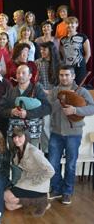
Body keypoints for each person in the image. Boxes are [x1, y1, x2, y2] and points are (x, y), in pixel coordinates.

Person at [48, 65, 94, 204]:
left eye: (67, 75)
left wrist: (75, 110)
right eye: (61, 75)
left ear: (73, 76)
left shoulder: (82, 91)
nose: (64, 77)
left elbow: (92, 108)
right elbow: (48, 108)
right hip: (56, 133)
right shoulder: (55, 91)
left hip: (74, 134)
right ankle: (56, 188)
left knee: (71, 165)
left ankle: (67, 192)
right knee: (53, 163)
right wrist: (61, 100)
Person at [4, 127, 54, 217]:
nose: (16, 139)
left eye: (19, 136)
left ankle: (41, 201)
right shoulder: (18, 152)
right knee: (9, 206)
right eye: (14, 137)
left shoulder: (34, 151)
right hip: (28, 181)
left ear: (26, 136)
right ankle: (37, 202)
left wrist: (36, 180)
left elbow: (51, 170)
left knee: (6, 196)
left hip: (38, 184)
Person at [0, 65, 51, 150]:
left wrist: (28, 113)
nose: (20, 75)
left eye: (23, 73)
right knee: (14, 159)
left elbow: (47, 108)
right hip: (14, 133)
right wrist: (11, 111)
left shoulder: (37, 89)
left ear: (30, 76)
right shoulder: (11, 90)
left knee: (31, 159)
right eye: (18, 73)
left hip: (32, 133)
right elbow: (2, 109)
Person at [60, 16, 91, 84]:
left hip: (80, 67)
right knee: (67, 86)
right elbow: (63, 55)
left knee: (79, 88)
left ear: (77, 24)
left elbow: (88, 54)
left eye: (72, 23)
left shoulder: (83, 37)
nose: (70, 25)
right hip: (67, 67)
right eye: (68, 23)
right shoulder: (62, 40)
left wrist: (82, 64)